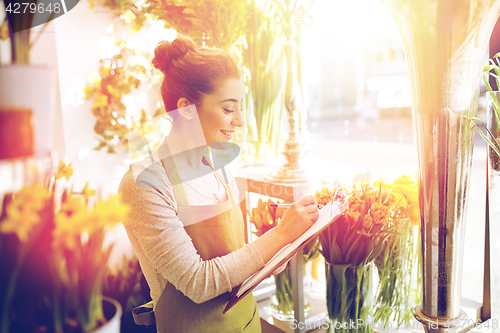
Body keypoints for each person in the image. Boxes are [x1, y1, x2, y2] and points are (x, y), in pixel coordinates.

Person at [119, 32, 319, 333]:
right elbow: (198, 283)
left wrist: (286, 245)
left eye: (240, 106)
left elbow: (238, 258)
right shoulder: (145, 183)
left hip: (248, 323)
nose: (239, 120)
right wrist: (280, 235)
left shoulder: (219, 166)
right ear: (186, 109)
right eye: (228, 108)